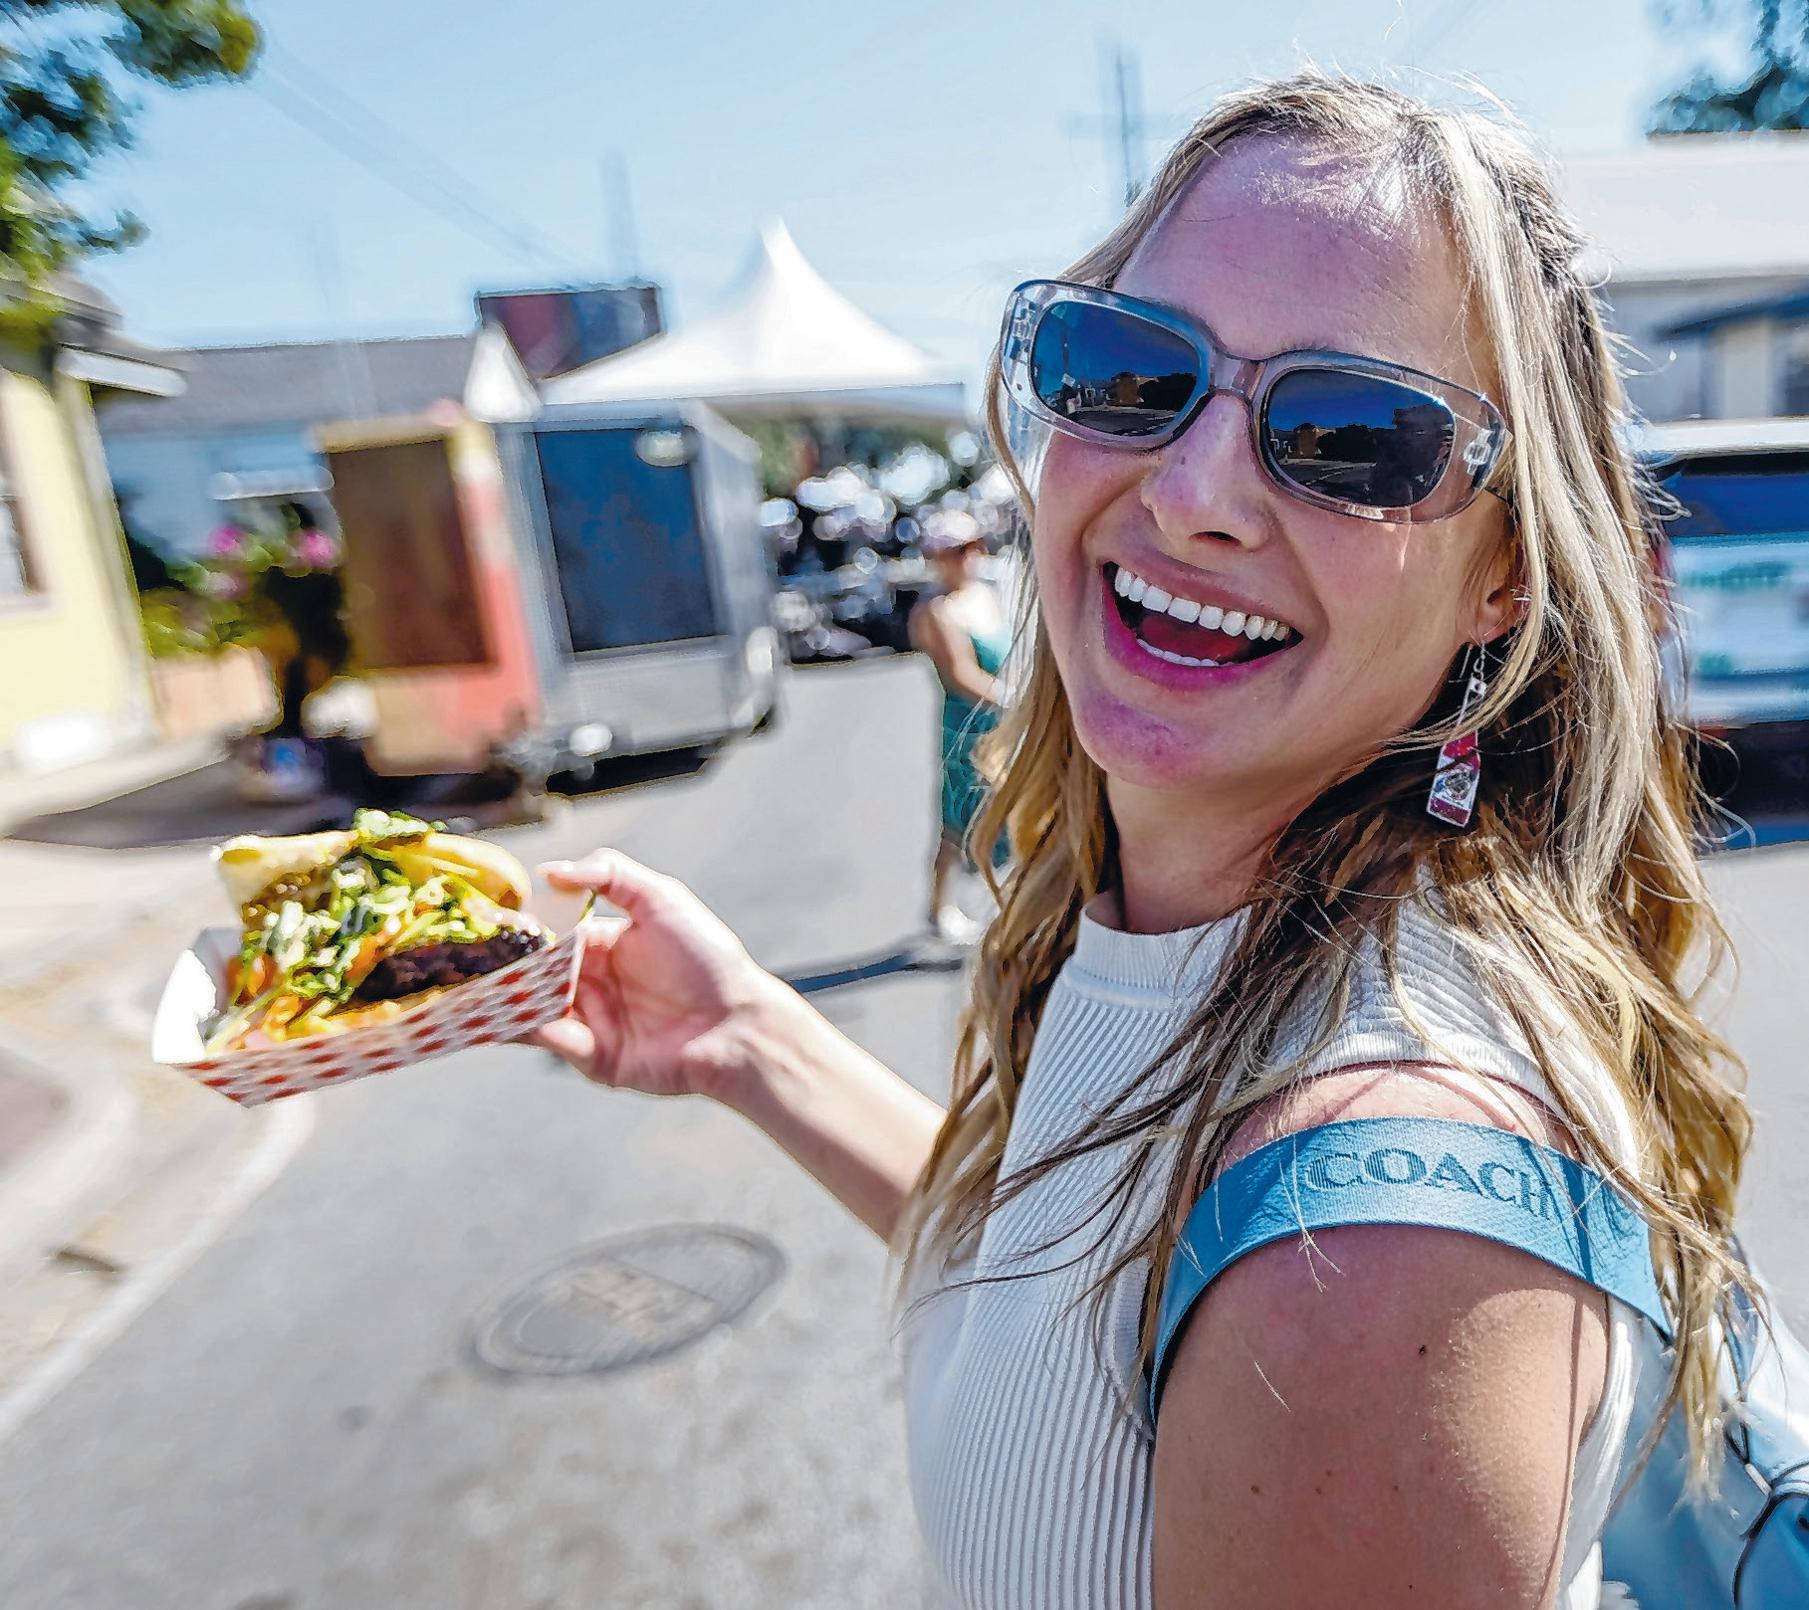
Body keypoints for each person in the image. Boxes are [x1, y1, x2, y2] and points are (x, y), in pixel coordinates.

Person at [531, 72, 1752, 1609]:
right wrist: (748, 1042)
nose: (1192, 493)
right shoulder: (1192, 943)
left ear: (1504, 575)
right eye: (1127, 370)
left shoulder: (1365, 1257)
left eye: (1354, 434)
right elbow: (1067, 1297)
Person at [908, 509, 1011, 943]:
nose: (968, 557)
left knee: (1013, 811)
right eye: (955, 551)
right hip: (967, 728)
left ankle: (1011, 904)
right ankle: (940, 909)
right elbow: (961, 675)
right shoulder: (937, 611)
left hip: (1003, 723)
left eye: (971, 547)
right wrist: (1015, 699)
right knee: (959, 819)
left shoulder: (985, 596)